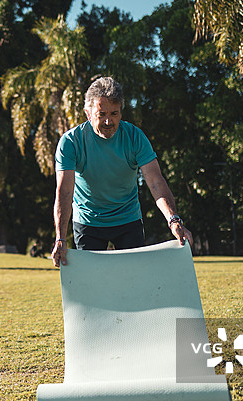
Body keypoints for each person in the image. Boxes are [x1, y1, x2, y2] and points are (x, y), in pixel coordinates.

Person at [51, 77, 193, 267]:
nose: (109, 121)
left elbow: (155, 182)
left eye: (114, 113)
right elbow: (65, 191)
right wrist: (60, 237)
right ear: (88, 113)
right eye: (101, 114)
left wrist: (174, 220)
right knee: (93, 284)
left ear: (121, 112)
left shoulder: (135, 137)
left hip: (128, 219)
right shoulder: (71, 142)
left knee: (134, 280)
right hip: (88, 221)